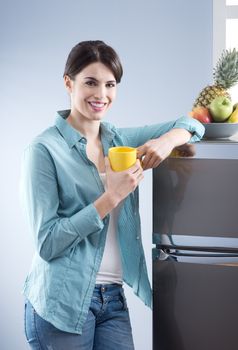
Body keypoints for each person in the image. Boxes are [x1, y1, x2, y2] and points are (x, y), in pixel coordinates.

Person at [21, 40, 204, 350]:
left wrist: (167, 141)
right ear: (69, 82)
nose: (101, 95)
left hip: (113, 300)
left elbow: (191, 124)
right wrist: (110, 198)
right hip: (62, 301)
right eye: (90, 82)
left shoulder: (119, 141)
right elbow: (47, 243)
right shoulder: (44, 150)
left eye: (110, 84)